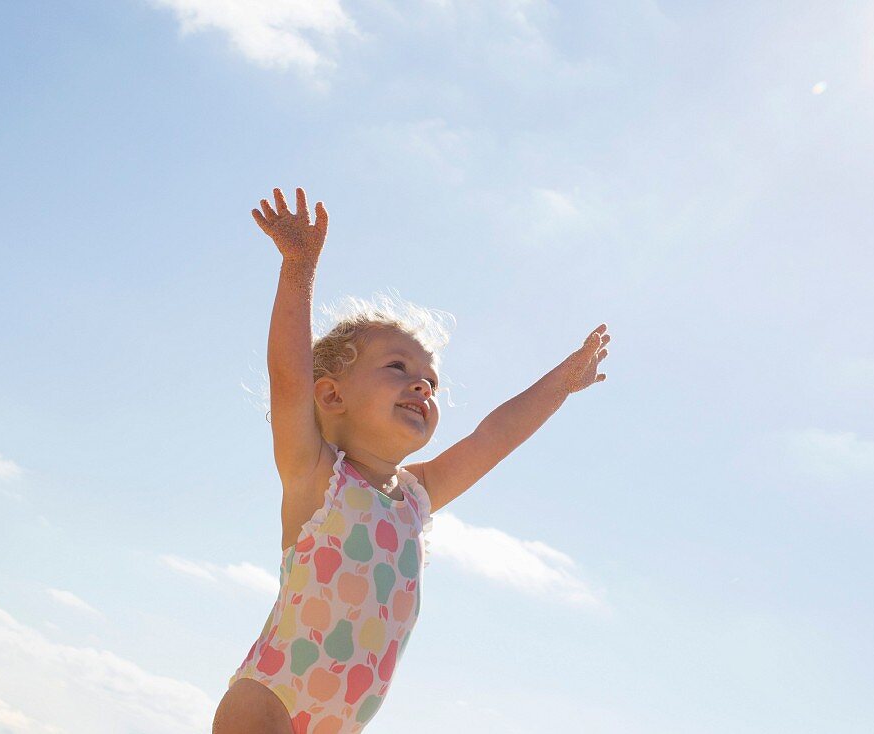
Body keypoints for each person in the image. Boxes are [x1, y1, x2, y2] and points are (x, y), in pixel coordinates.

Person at [212, 186, 612, 734]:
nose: (421, 383)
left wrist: (560, 385)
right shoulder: (316, 474)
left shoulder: (419, 496)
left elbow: (493, 437)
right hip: (270, 701)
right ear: (331, 396)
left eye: (431, 380)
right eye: (397, 367)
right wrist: (299, 268)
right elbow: (288, 380)